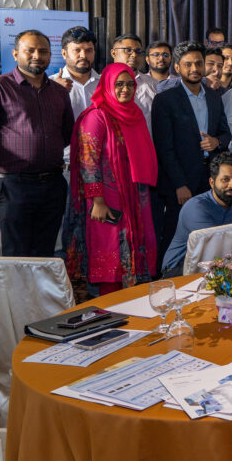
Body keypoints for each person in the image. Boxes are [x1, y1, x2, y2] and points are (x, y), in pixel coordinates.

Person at [65, 63, 158, 294]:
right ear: (107, 85)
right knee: (111, 249)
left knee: (137, 247)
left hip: (135, 195)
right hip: (106, 197)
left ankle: (135, 300)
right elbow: (88, 160)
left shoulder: (134, 114)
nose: (125, 89)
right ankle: (110, 304)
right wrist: (97, 200)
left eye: (130, 84)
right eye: (119, 84)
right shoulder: (96, 116)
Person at [0, 30, 74, 256]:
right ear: (15, 54)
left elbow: (67, 133)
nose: (37, 55)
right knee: (17, 253)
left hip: (53, 184)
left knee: (46, 252)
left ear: (50, 56)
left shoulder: (59, 92)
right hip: (13, 184)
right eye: (30, 50)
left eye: (43, 51)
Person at [152, 40, 231, 261]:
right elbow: (164, 148)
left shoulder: (214, 96)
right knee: (176, 232)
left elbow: (226, 133)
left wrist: (217, 141)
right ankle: (168, 274)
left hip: (211, 177)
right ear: (177, 67)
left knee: (210, 233)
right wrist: (179, 184)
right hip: (181, 180)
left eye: (198, 63)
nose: (195, 68)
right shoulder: (165, 100)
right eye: (188, 64)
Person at [160, 152, 232, 275]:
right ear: (212, 182)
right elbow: (215, 246)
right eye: (225, 179)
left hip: (221, 265)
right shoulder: (196, 207)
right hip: (180, 268)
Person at [55, 26, 99, 119]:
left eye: (89, 50)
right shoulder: (51, 85)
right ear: (64, 54)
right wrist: (52, 93)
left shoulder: (105, 83)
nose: (83, 55)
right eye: (77, 50)